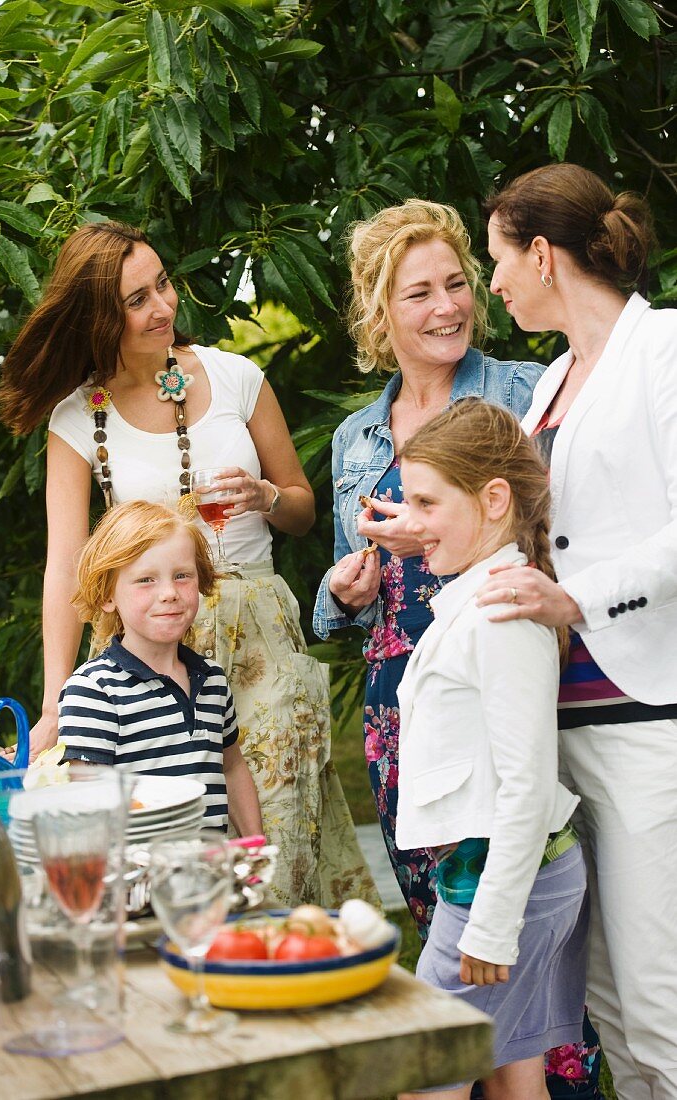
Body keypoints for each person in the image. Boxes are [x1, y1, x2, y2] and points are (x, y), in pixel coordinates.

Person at [0, 219, 378, 909]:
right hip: (145, 651)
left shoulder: (236, 376)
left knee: (273, 848)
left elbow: (301, 509)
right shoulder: (80, 418)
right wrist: (55, 700)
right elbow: (65, 566)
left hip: (258, 637)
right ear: (98, 318)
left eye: (162, 284)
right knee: (158, 859)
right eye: (136, 300)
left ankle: (287, 985)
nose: (162, 307)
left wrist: (264, 496)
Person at [477, 163, 677, 1100]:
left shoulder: (664, 349)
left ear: (543, 255)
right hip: (558, 725)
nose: (494, 284)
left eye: (498, 259)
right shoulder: (552, 377)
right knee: (601, 1000)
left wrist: (580, 600)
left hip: (646, 719)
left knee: (656, 998)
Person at [313, 200, 543, 933]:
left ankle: (560, 1052)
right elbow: (333, 598)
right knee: (434, 902)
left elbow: (557, 537)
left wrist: (444, 538)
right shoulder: (355, 437)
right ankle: (469, 1048)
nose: (447, 307)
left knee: (516, 900)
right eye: (419, 294)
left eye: (456, 283)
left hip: (496, 667)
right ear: (379, 312)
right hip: (398, 692)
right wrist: (346, 593)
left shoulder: (525, 391)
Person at [396, 399, 587, 1100]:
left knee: (420, 1076)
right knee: (513, 1078)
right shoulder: (475, 596)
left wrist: (492, 926)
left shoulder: (501, 613)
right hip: (503, 879)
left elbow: (526, 784)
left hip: (505, 887)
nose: (410, 523)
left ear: (494, 499)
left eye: (426, 501)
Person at [58, 500, 262, 836]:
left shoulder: (212, 681)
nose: (169, 593)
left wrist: (255, 846)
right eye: (146, 580)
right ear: (108, 595)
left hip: (210, 878)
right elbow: (87, 808)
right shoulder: (94, 691)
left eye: (182, 576)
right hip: (140, 882)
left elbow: (232, 767)